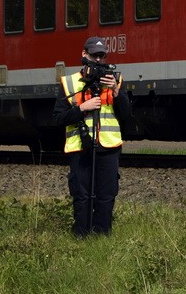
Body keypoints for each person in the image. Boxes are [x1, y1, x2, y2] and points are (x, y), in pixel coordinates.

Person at [52, 36, 132, 236]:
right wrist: (82, 109)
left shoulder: (115, 81)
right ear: (84, 54)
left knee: (106, 195)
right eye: (94, 55)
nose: (98, 60)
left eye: (101, 56)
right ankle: (81, 236)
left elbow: (127, 115)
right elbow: (58, 118)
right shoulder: (69, 83)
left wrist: (116, 91)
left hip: (109, 147)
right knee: (82, 195)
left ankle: (102, 237)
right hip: (81, 147)